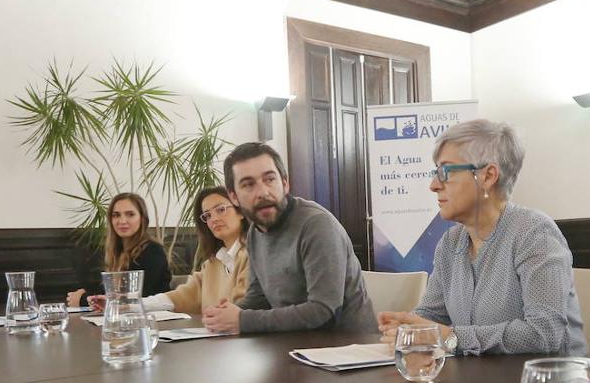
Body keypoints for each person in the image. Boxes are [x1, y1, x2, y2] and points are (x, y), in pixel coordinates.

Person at [377, 120, 587, 356]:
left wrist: (452, 338)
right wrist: (408, 327)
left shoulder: (535, 232)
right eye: (435, 172)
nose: (433, 185)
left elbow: (544, 333)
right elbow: (432, 315)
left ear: (487, 176)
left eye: (445, 172)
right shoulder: (450, 242)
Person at [197, 142, 377, 334]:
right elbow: (259, 297)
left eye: (269, 179)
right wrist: (228, 313)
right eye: (248, 185)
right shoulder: (255, 233)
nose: (263, 192)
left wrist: (242, 319)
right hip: (292, 344)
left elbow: (323, 311)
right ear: (233, 197)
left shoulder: (316, 225)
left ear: (285, 183)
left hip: (347, 349)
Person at [136, 187, 249, 315]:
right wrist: (130, 305)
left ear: (241, 212)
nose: (214, 219)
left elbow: (243, 306)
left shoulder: (252, 256)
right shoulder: (212, 264)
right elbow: (180, 297)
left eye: (221, 209)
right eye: (208, 215)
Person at [67, 192, 171, 308]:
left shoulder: (152, 251)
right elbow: (109, 293)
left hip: (154, 320)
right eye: (116, 215)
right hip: (125, 318)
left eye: (130, 214)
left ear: (142, 219)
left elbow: (132, 298)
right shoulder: (117, 252)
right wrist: (86, 294)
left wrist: (83, 299)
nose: (122, 221)